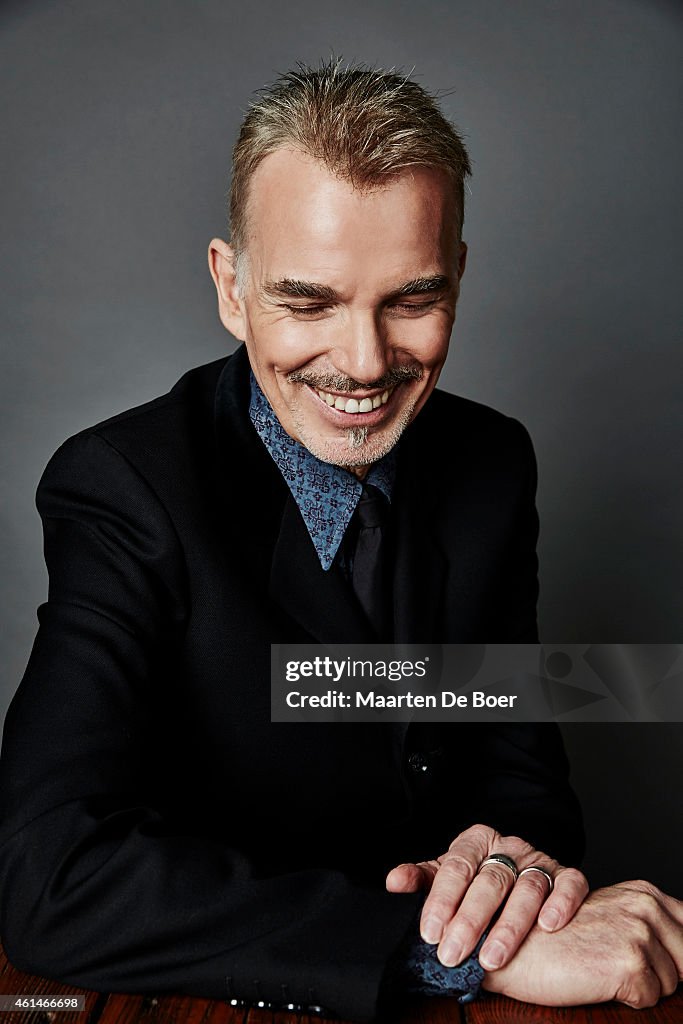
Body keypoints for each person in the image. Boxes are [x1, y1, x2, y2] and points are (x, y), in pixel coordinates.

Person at [0, 59, 680, 1021]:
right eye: (308, 302)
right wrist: (447, 958)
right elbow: (48, 879)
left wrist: (504, 875)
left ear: (459, 276)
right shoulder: (122, 488)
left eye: (411, 298)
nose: (364, 364)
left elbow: (520, 779)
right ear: (231, 289)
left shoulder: (492, 464)